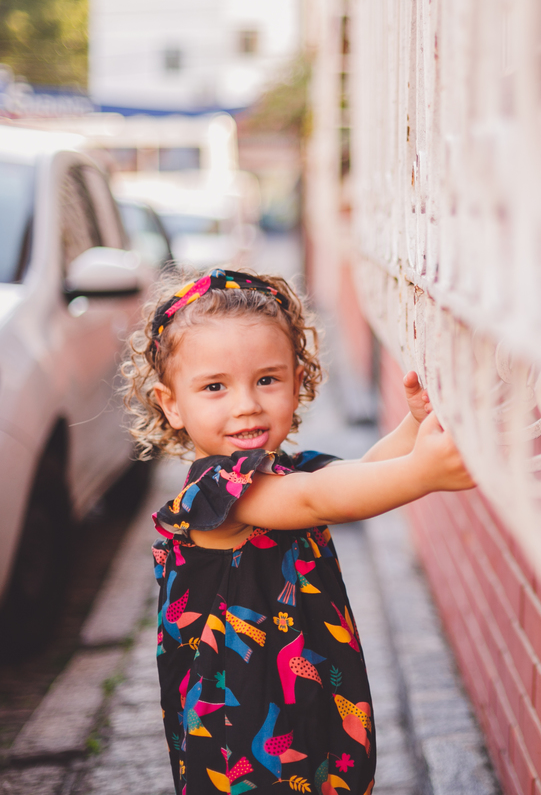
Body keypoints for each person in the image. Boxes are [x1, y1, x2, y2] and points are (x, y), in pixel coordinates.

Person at [121, 268, 474, 795]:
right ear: (172, 403)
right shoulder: (214, 491)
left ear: (298, 378)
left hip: (303, 707)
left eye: (267, 379)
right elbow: (314, 501)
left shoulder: (284, 469)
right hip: (241, 743)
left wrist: (412, 429)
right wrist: (424, 473)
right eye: (215, 387)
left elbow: (350, 480)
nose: (246, 404)